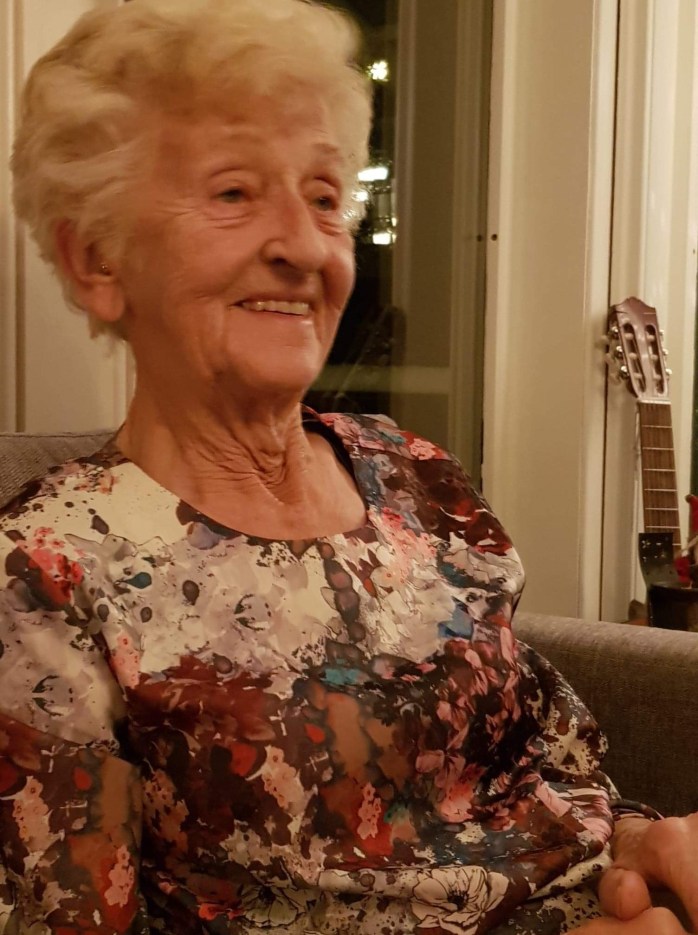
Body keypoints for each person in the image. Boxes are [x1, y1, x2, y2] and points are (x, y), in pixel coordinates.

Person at [1, 0, 696, 932]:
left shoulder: (413, 473)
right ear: (98, 259)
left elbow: (551, 760)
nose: (304, 246)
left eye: (326, 198)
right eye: (234, 193)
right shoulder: (45, 577)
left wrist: (648, 844)